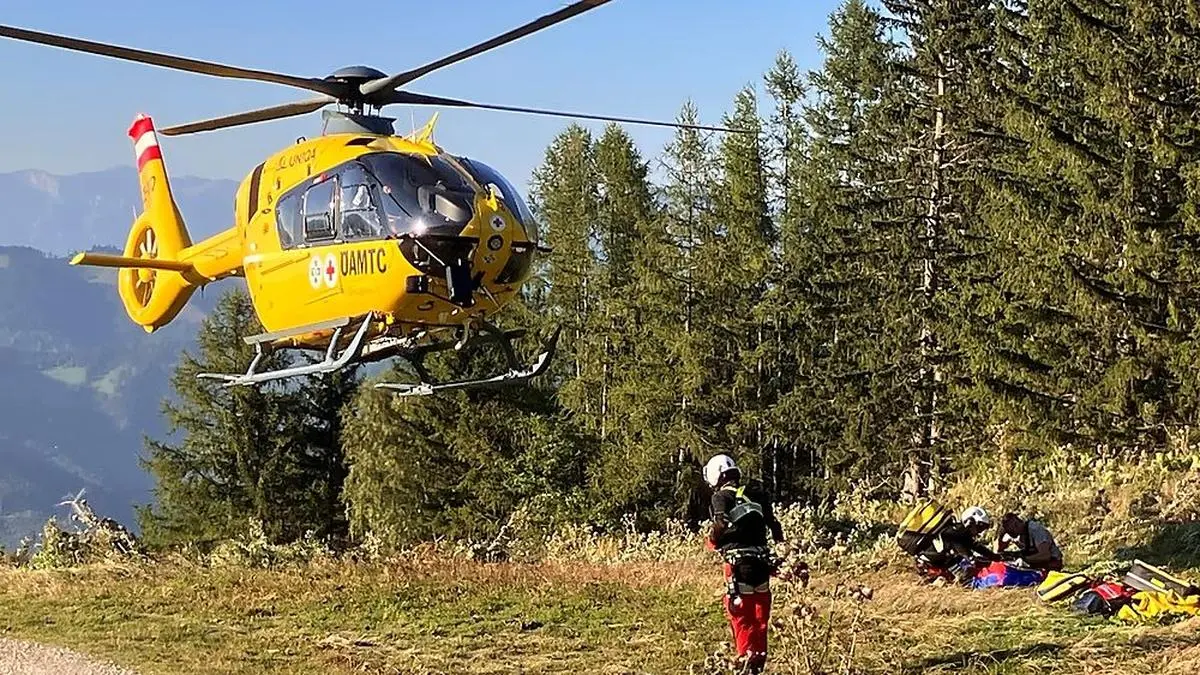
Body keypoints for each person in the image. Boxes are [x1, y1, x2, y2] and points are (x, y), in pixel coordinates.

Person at [704, 454, 785, 674]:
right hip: (762, 565)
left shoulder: (721, 497)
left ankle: (745, 665)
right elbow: (775, 527)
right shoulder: (756, 494)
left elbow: (720, 523)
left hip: (738, 567)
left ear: (715, 476)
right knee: (760, 618)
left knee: (741, 617)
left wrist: (712, 540)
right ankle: (758, 663)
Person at [913, 506, 1000, 584]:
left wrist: (995, 556)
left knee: (963, 568)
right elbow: (971, 558)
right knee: (966, 578)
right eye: (979, 527)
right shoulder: (954, 535)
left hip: (937, 563)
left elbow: (976, 547)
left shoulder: (962, 533)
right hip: (928, 566)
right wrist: (988, 562)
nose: (980, 531)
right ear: (970, 522)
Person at [996, 512, 1064, 572]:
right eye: (1008, 531)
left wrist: (1025, 560)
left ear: (1017, 524)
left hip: (1051, 563)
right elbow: (999, 551)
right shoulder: (1014, 533)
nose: (1011, 533)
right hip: (1033, 562)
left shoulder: (1035, 530)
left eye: (1011, 531)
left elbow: (1045, 555)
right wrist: (1000, 536)